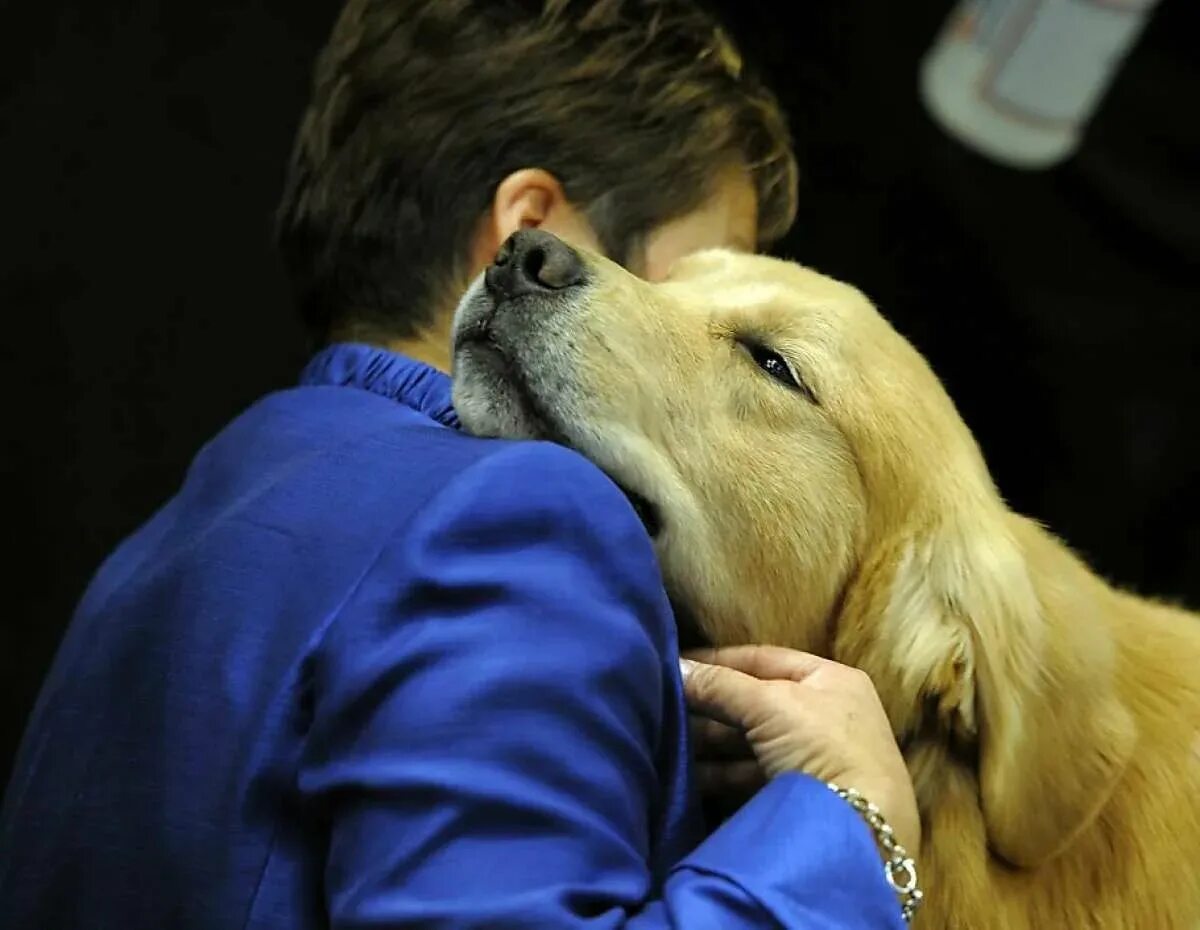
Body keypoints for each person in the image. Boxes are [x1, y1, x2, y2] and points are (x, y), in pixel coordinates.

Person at [0, 1, 920, 927]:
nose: (686, 321)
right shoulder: (522, 518)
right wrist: (849, 829)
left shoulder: (180, 529)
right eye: (689, 280)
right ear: (532, 231)